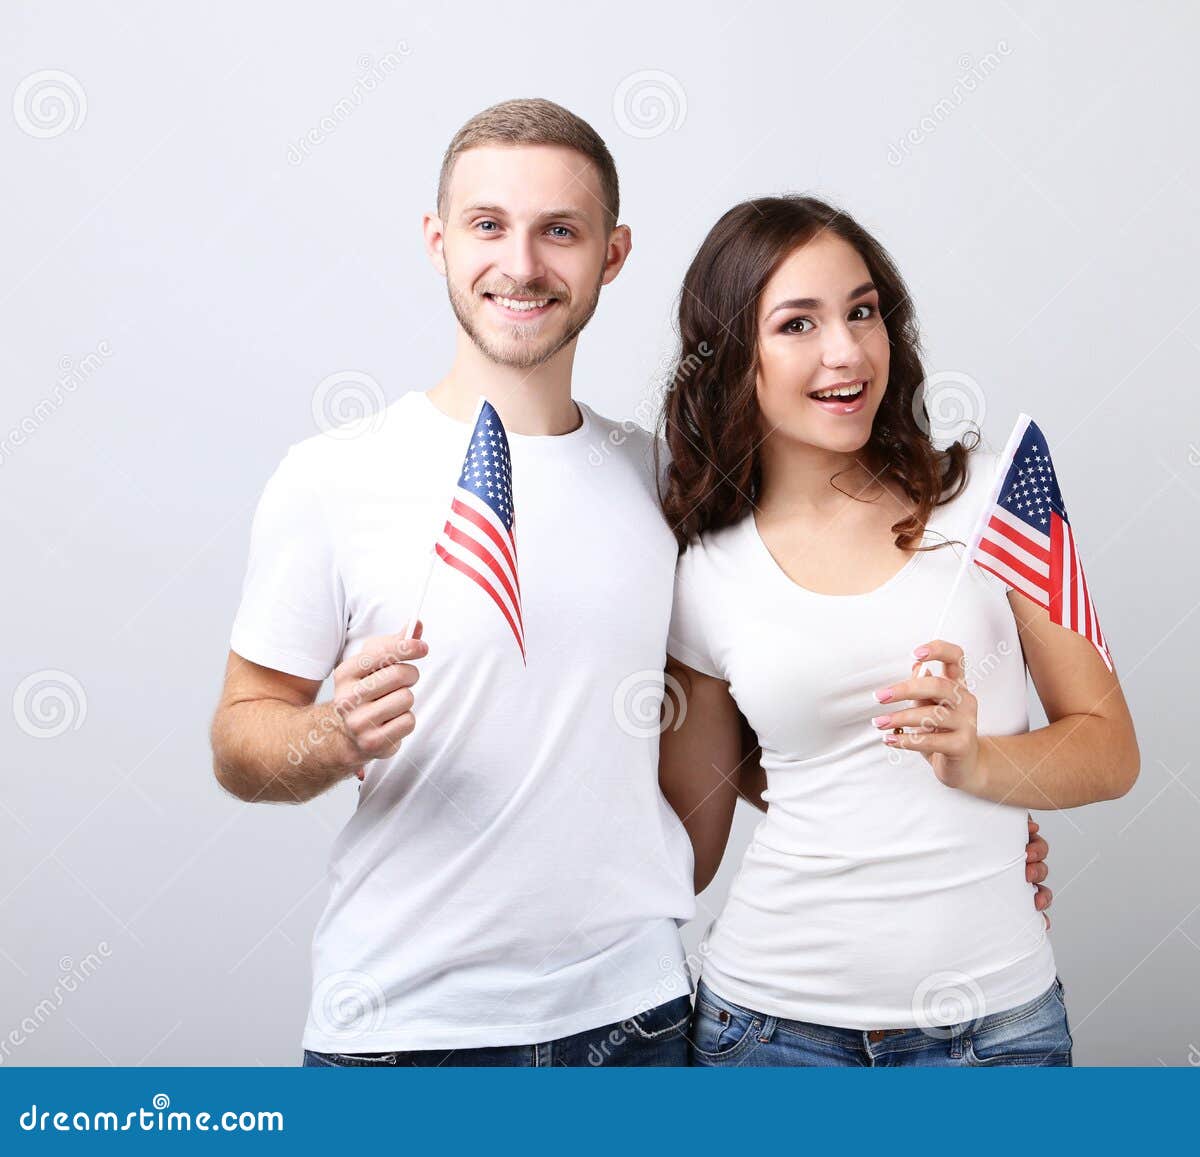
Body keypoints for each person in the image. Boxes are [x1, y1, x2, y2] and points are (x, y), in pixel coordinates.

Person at [209, 100, 1054, 1067]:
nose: (521, 264)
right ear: (438, 241)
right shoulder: (331, 477)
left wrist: (958, 849)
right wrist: (328, 734)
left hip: (638, 1019)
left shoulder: (674, 487)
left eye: (558, 231)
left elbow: (766, 723)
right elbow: (242, 736)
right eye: (488, 225)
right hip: (404, 1031)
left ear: (611, 255)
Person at [657, 196, 1140, 1066]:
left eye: (863, 310)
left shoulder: (994, 501)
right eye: (797, 323)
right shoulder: (703, 568)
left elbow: (1111, 752)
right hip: (769, 1032)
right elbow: (692, 841)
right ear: (734, 357)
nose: (846, 350)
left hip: (995, 1033)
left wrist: (979, 761)